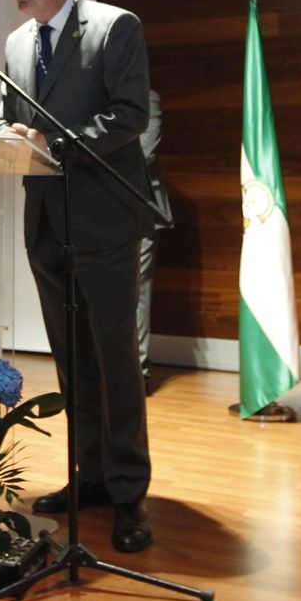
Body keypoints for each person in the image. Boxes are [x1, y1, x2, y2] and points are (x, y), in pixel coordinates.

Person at [0, 0, 155, 553]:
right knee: (72, 363)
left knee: (115, 363)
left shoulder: (115, 27)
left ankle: (128, 493)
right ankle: (88, 477)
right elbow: (10, 110)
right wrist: (5, 135)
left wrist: (53, 144)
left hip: (103, 220)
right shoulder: (12, 43)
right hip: (46, 222)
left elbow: (128, 114)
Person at [137, 89, 171, 391]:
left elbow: (142, 153)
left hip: (139, 210)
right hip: (93, 212)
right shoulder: (91, 98)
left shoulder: (147, 98)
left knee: (136, 292)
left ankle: (138, 372)